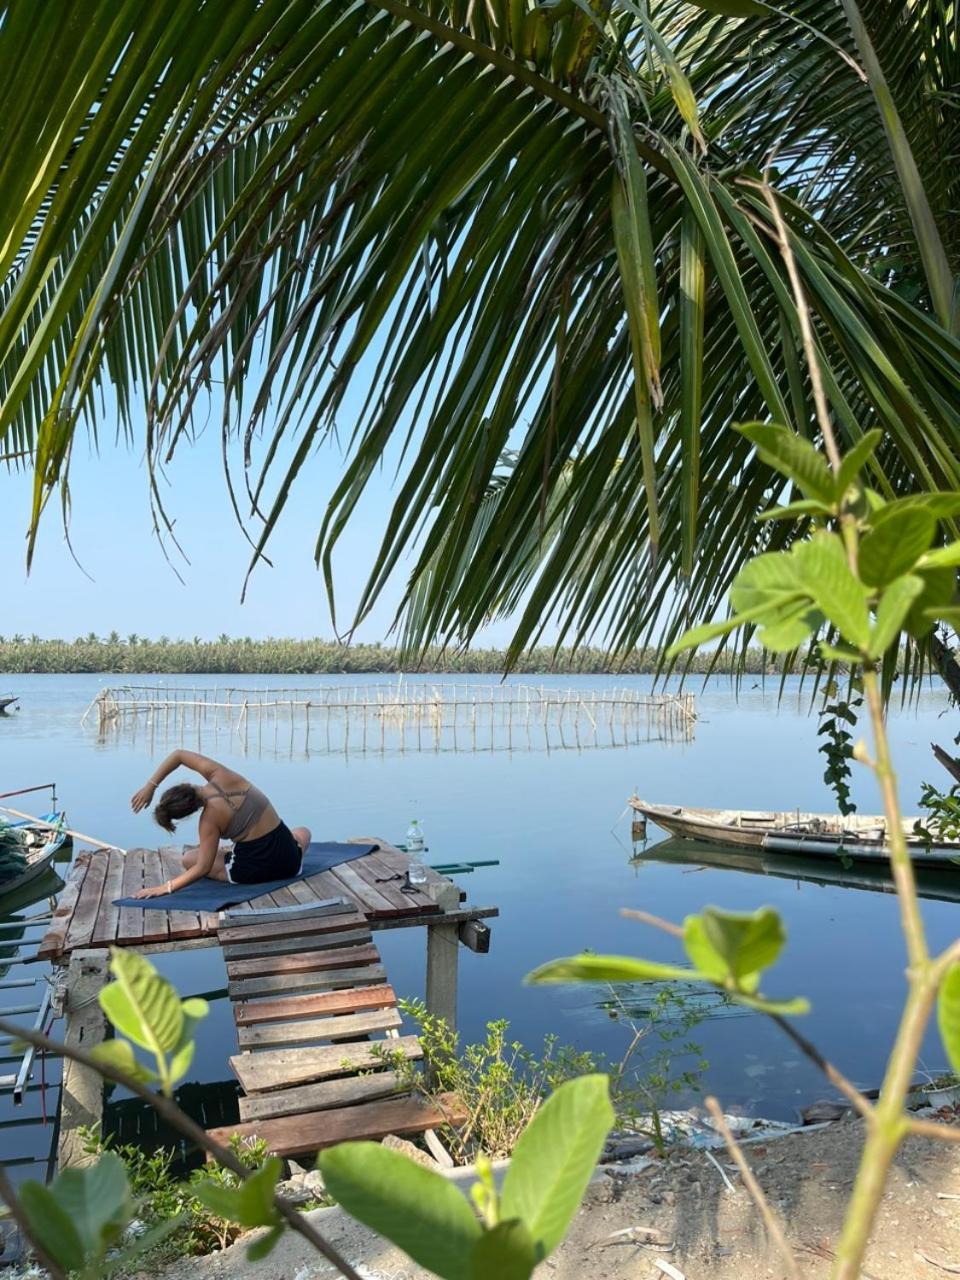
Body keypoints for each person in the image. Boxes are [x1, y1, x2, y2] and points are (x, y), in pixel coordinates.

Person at [129, 749, 311, 899]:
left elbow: (202, 867)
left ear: (189, 812)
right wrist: (151, 786)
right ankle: (237, 850)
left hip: (253, 870)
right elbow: (179, 755)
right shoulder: (221, 774)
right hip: (290, 863)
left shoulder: (208, 822)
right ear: (186, 785)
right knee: (303, 831)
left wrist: (165, 887)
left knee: (189, 858)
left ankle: (233, 854)